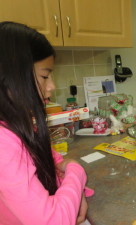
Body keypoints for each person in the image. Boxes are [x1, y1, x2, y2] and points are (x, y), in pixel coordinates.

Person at [0, 21, 93, 224]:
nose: (52, 86)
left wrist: (77, 193)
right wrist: (77, 171)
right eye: (45, 75)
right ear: (10, 76)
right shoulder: (3, 142)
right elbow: (54, 221)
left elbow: (51, 159)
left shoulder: (14, 123)